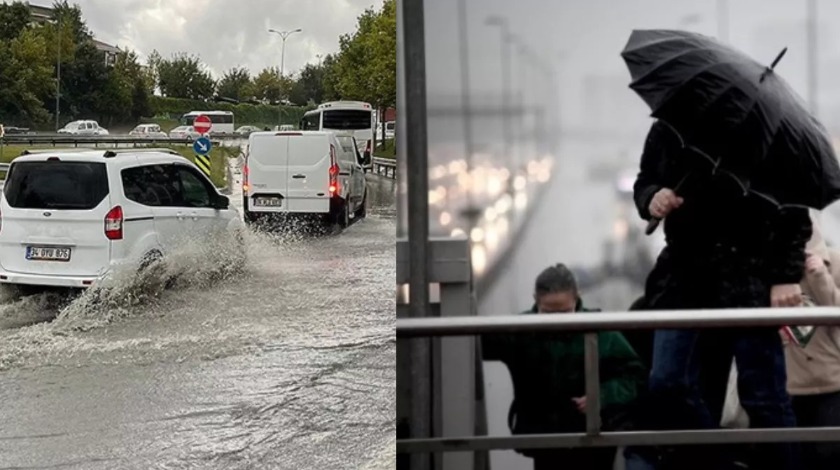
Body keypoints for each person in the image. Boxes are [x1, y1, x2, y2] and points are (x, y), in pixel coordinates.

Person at [627, 120, 811, 470]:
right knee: (668, 382)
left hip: (748, 281)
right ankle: (717, 461)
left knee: (764, 398)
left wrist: (785, 277)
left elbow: (794, 215)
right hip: (684, 279)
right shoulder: (671, 128)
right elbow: (645, 181)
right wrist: (653, 197)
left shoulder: (769, 136)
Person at [481, 263, 646, 470]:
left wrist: (601, 396)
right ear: (536, 301)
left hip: (592, 439)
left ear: (577, 300)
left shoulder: (602, 332)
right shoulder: (518, 331)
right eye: (548, 313)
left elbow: (636, 376)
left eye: (565, 312)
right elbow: (473, 345)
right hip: (545, 438)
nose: (557, 321)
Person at [784, 211, 840, 470]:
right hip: (789, 386)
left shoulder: (835, 262)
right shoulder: (769, 272)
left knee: (827, 453)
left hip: (832, 382)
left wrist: (820, 278)